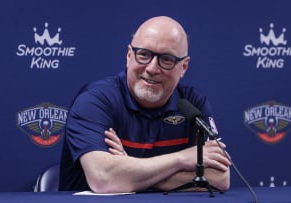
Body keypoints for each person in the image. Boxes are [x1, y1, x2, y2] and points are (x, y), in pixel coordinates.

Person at [59, 16, 231, 193]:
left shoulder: (193, 104)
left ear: (184, 67)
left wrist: (128, 168)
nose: (152, 68)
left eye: (166, 59)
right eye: (144, 54)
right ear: (128, 55)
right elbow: (104, 180)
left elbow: (220, 178)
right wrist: (181, 159)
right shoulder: (95, 101)